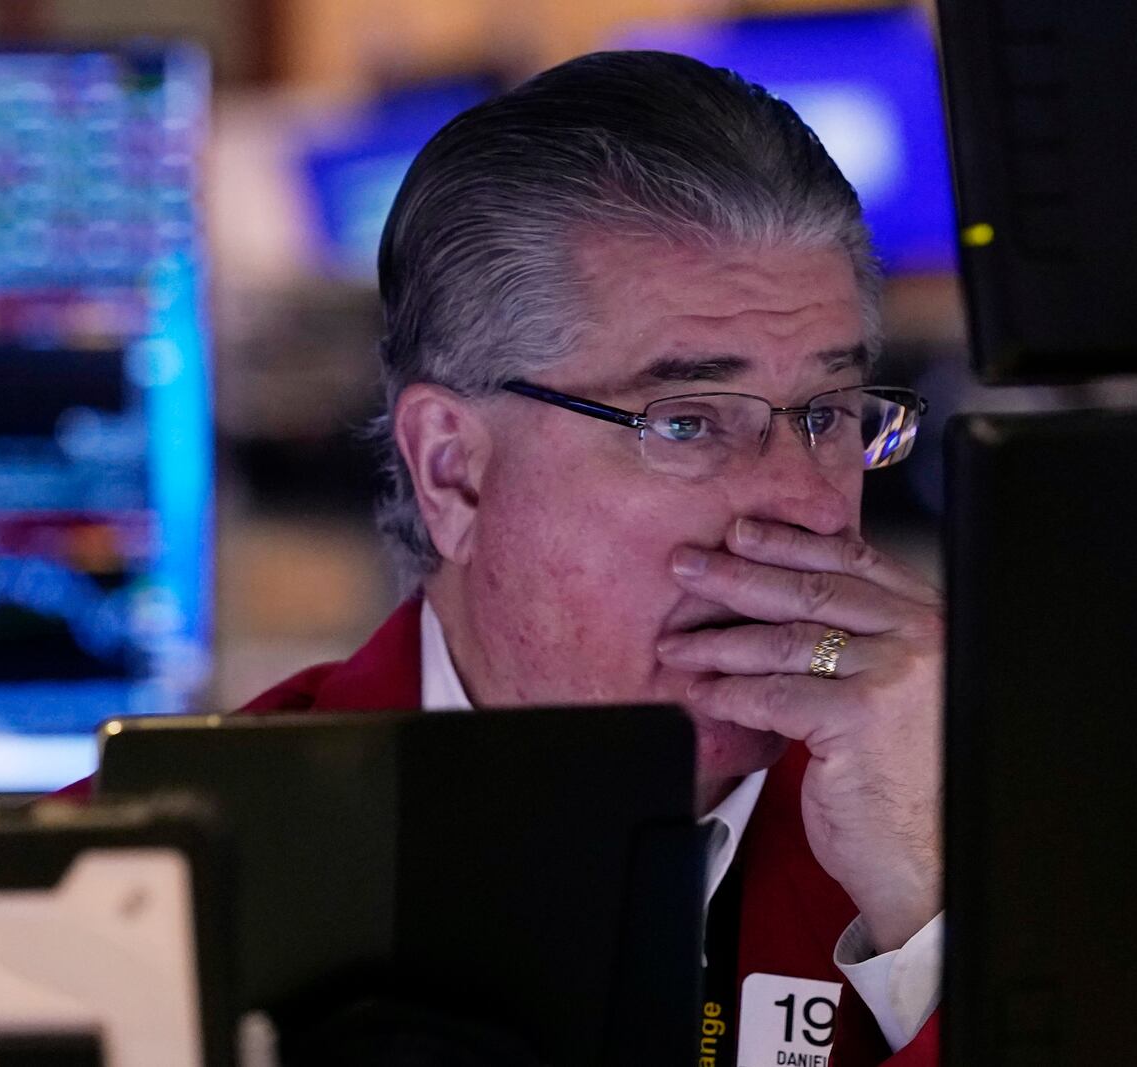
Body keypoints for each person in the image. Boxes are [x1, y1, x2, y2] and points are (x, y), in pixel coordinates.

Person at [245, 50, 943, 1065]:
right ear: (454, 473)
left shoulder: (998, 841)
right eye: (688, 421)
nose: (806, 500)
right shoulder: (140, 882)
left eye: (827, 413)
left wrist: (936, 917)